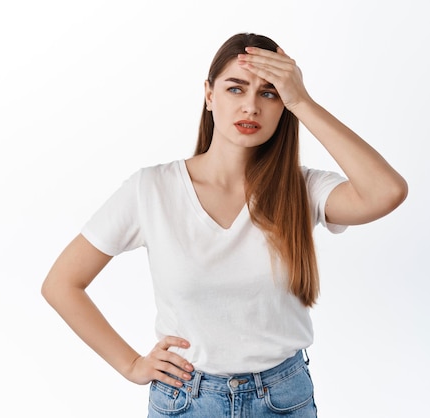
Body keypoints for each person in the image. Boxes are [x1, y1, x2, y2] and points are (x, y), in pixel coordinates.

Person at [41, 32, 407, 417]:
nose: (251, 106)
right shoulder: (151, 189)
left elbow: (387, 191)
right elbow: (62, 284)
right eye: (236, 88)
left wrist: (301, 100)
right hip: (186, 399)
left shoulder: (302, 189)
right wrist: (131, 364)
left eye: (269, 93)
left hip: (282, 399)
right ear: (209, 94)